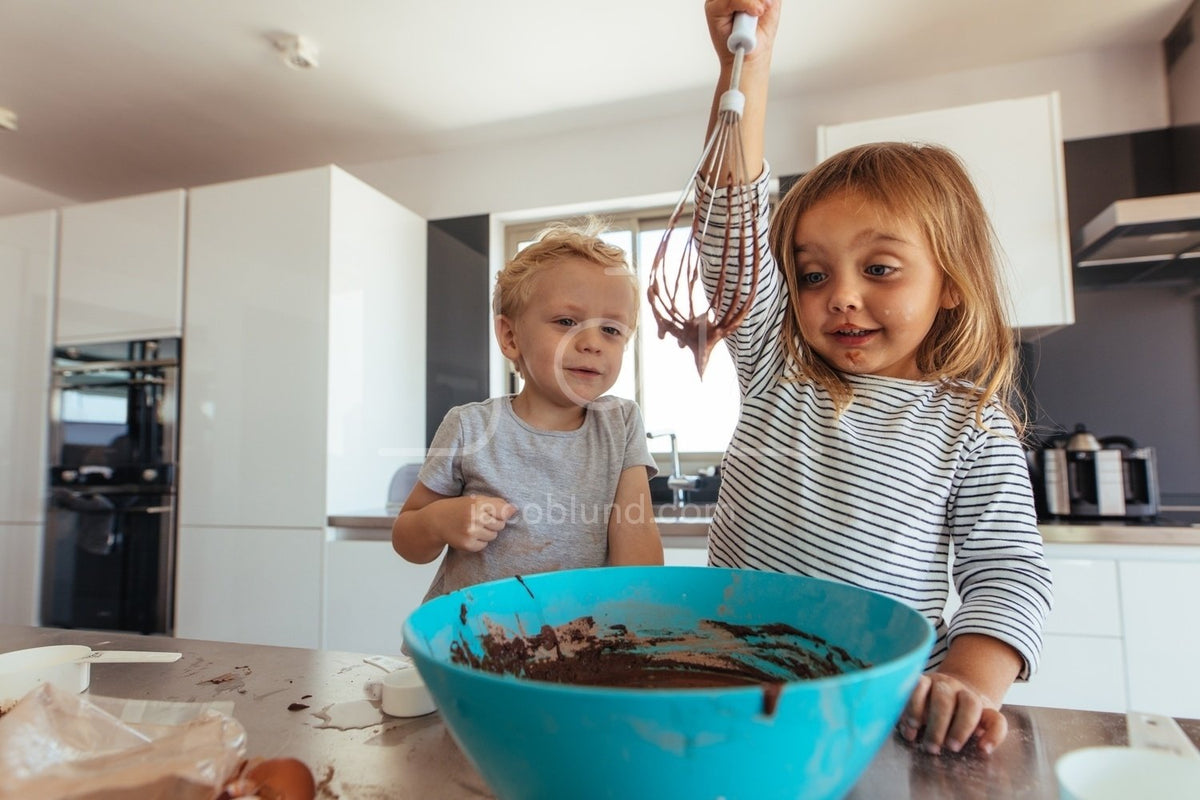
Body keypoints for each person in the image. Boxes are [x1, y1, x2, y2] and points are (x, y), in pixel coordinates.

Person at [690, 0, 1052, 757]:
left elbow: (1008, 574)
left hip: (879, 711)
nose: (840, 295)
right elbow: (731, 233)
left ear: (951, 283)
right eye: (812, 273)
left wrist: (962, 683)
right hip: (727, 687)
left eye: (879, 268)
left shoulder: (972, 426)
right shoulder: (777, 369)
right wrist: (743, 65)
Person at [392, 220, 664, 604]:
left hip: (578, 640)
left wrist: (643, 617)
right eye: (567, 322)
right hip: (473, 640)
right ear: (510, 337)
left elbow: (635, 533)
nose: (591, 343)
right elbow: (407, 539)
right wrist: (440, 521)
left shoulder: (620, 423)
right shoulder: (469, 427)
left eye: (611, 330)